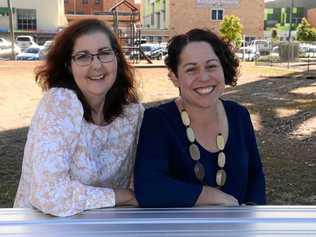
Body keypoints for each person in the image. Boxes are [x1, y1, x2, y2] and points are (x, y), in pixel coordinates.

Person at [14, 19, 143, 216]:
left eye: (104, 53)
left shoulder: (132, 113)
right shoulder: (60, 103)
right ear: (68, 65)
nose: (96, 65)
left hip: (107, 226)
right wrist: (122, 196)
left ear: (117, 58)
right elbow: (48, 195)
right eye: (83, 57)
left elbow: (141, 184)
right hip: (45, 227)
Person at [134, 28, 266, 207]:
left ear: (223, 68)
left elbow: (255, 176)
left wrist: (250, 212)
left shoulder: (239, 115)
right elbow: (148, 188)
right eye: (191, 69)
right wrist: (211, 196)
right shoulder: (158, 121)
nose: (203, 77)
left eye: (211, 66)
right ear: (174, 77)